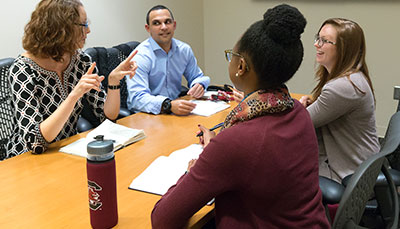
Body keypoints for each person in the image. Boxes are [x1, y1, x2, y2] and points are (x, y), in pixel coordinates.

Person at [151, 4, 329, 228]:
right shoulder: (297, 111)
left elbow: (163, 219)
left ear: (241, 66)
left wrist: (196, 167)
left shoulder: (236, 143)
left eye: (232, 56)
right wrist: (216, 151)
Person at [2, 0, 137, 161]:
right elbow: (35, 141)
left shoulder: (81, 61)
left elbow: (107, 117)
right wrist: (73, 96)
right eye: (84, 24)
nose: (88, 30)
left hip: (66, 151)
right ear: (62, 28)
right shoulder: (22, 70)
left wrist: (113, 82)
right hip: (26, 159)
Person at [299, 18, 380, 182]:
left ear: (344, 49)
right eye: (318, 38)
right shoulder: (352, 77)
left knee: (279, 163)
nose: (316, 44)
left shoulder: (343, 86)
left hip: (349, 170)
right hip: (358, 161)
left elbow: (301, 123)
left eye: (324, 41)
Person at [126, 5, 210, 115]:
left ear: (174, 25)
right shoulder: (140, 56)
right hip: (147, 115)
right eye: (156, 23)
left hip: (174, 111)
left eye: (167, 22)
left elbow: (197, 77)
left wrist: (199, 85)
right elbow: (137, 99)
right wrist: (167, 105)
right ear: (148, 28)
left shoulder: (184, 50)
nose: (164, 27)